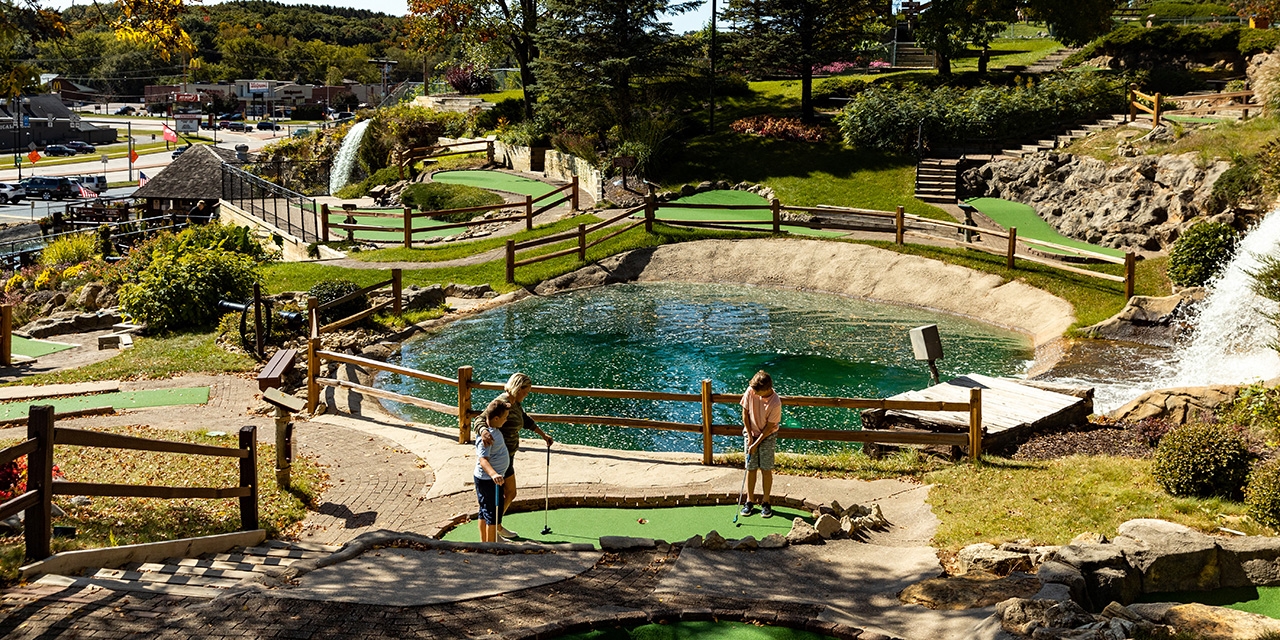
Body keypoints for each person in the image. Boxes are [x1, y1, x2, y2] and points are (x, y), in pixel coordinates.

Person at [480, 372, 554, 539]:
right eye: (526, 391)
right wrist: (484, 431)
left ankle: (497, 525)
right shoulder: (502, 402)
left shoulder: (515, 403)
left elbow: (525, 420)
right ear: (518, 388)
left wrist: (543, 435)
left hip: (509, 456)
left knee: (511, 493)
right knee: (498, 496)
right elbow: (481, 419)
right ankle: (494, 529)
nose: (527, 395)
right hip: (498, 457)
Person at [740, 370, 781, 518]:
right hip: (751, 431)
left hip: (768, 435)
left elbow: (769, 428)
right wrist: (750, 436)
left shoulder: (775, 402)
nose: (755, 394)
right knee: (750, 467)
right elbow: (745, 412)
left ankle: (766, 502)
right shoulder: (752, 390)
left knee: (766, 468)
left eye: (759, 392)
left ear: (767, 389)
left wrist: (756, 443)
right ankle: (749, 501)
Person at [473, 398, 512, 543]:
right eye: (505, 418)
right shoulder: (487, 437)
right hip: (488, 480)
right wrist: (494, 474)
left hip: (490, 479)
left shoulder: (494, 431)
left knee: (484, 512)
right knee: (492, 514)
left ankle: (485, 544)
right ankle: (491, 547)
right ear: (496, 418)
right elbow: (483, 460)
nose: (506, 420)